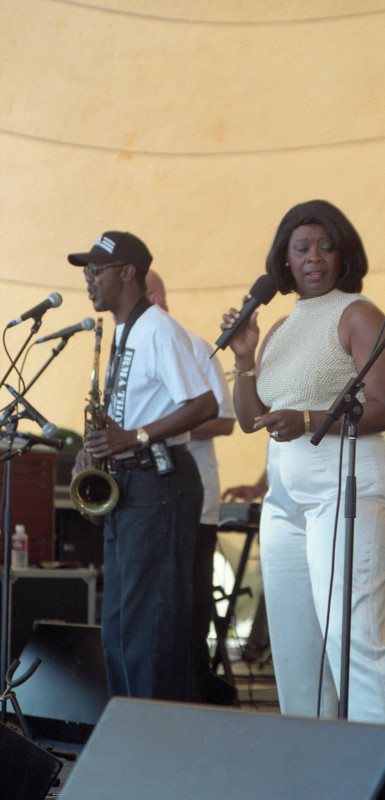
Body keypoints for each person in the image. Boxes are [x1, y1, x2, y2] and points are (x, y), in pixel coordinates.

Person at [219, 199, 385, 725]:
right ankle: (311, 773)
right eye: (301, 247)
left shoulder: (360, 314)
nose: (314, 257)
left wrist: (308, 420)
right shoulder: (278, 327)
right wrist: (243, 359)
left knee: (354, 639)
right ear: (284, 258)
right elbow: (252, 418)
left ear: (344, 255)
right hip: (284, 496)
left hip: (346, 484)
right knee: (296, 651)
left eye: (326, 246)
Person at [68, 230, 218, 702]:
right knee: (118, 627)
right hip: (132, 481)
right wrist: (91, 450)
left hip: (158, 482)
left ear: (128, 272)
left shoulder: (158, 329)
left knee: (147, 627)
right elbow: (133, 410)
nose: (88, 280)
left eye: (96, 270)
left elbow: (205, 403)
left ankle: (154, 748)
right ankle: (129, 736)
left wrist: (134, 437)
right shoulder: (125, 331)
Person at [145, 269, 236, 702]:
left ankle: (195, 693)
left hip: (193, 499)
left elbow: (223, 420)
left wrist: (160, 429)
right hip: (147, 498)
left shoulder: (197, 348)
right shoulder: (135, 348)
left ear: (155, 297)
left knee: (192, 601)